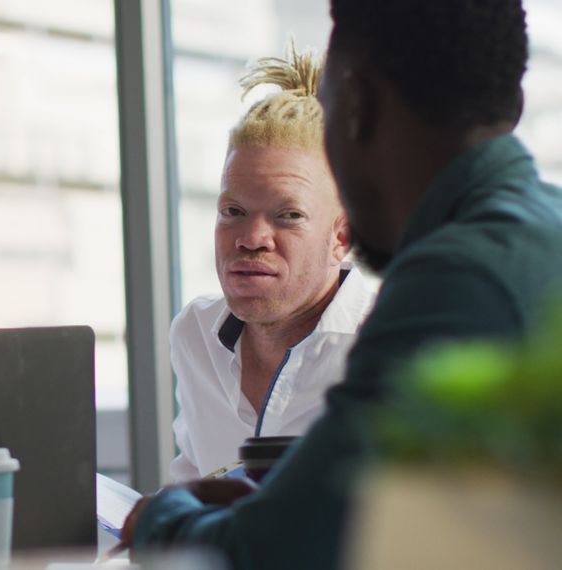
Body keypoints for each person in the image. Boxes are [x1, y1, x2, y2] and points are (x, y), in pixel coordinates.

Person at [123, 0, 562, 568]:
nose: (254, 237)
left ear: (356, 106)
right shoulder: (541, 231)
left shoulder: (458, 278)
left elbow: (265, 554)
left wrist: (162, 516)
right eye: (233, 210)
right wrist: (273, 511)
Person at [170, 43, 375, 480]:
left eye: (289, 216)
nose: (250, 239)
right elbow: (192, 481)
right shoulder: (195, 335)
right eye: (233, 211)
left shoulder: (386, 345)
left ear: (341, 237)